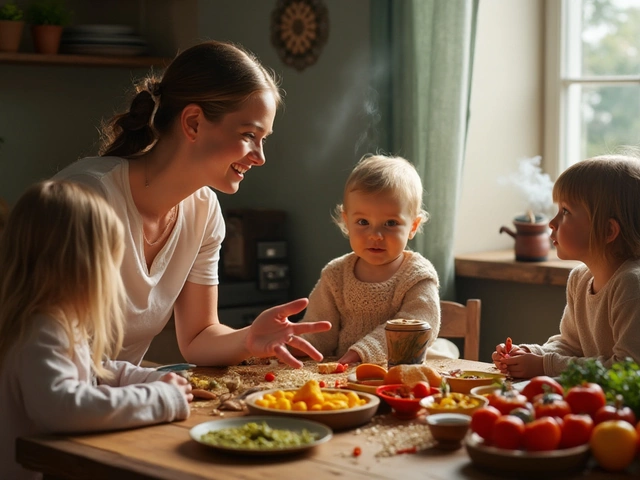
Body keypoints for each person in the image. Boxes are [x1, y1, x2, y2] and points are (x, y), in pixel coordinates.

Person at [54, 40, 330, 368]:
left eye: (263, 139)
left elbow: (199, 337)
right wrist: (150, 385)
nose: (260, 157)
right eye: (248, 135)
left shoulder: (204, 212)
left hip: (114, 400)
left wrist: (249, 339)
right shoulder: (87, 199)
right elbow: (55, 358)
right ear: (194, 123)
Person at [0, 181, 193, 480]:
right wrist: (161, 399)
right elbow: (63, 407)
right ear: (80, 268)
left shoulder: (53, 321)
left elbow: (93, 371)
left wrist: (151, 378)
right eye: (110, 264)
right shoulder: (41, 330)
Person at [297, 154, 459, 365]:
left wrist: (363, 351)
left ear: (413, 226)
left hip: (400, 374)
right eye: (363, 221)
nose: (375, 235)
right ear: (347, 222)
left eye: (390, 223)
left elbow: (415, 325)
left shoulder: (417, 275)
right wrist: (296, 344)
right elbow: (319, 331)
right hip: (347, 379)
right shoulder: (336, 275)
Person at [493, 154, 640, 378]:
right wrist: (529, 354)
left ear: (608, 231)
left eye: (565, 212)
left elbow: (627, 370)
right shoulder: (580, 279)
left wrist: (545, 365)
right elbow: (571, 346)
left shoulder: (631, 285)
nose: (552, 223)